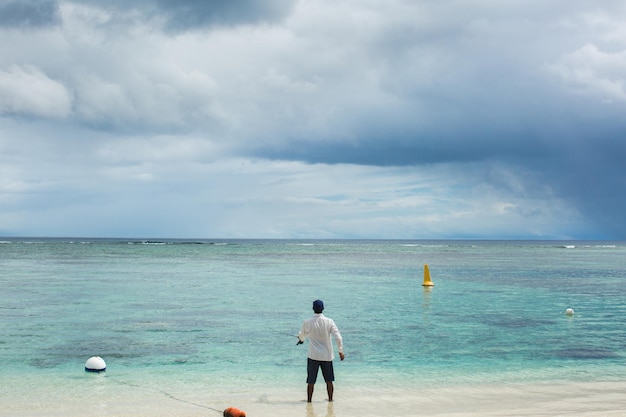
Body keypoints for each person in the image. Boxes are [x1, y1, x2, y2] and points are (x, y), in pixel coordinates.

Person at [297, 299, 345, 402]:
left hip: (313, 356)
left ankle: (309, 401)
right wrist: (340, 350)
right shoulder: (329, 321)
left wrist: (301, 340)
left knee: (311, 381)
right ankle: (330, 400)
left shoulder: (307, 322)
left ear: (313, 309)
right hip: (326, 356)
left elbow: (302, 335)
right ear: (323, 309)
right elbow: (338, 337)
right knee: (329, 381)